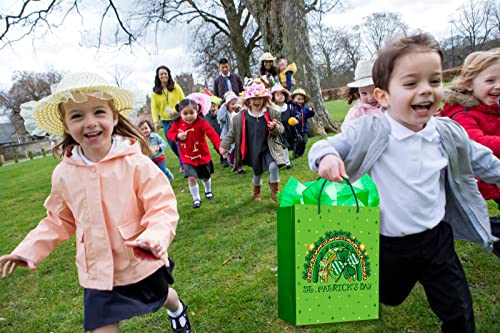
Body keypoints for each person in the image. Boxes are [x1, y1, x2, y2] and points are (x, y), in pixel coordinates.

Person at [308, 34, 500, 333]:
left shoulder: (447, 133)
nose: (425, 90)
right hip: (389, 243)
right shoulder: (370, 130)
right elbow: (324, 146)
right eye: (411, 83)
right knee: (390, 295)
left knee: (458, 309)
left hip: (437, 240)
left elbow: (485, 161)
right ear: (383, 96)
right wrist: (327, 158)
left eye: (434, 81)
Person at [0, 72, 192, 333]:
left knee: (161, 297)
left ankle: (176, 307)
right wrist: (28, 249)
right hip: (98, 271)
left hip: (140, 260)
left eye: (98, 112)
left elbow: (161, 205)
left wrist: (155, 237)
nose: (89, 123)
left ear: (114, 117)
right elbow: (58, 219)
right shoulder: (64, 174)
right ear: (66, 124)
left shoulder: (135, 163)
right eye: (77, 115)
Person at [442, 49, 500, 239]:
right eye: (490, 81)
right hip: (480, 175)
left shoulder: (488, 106)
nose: (498, 86)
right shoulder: (462, 113)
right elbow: (475, 142)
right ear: (469, 84)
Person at [219, 82, 285, 204]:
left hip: (268, 148)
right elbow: (233, 133)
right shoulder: (241, 117)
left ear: (265, 99)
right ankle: (256, 191)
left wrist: (274, 128)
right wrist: (224, 145)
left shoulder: (271, 113)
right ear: (248, 101)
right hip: (252, 149)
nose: (257, 101)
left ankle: (275, 192)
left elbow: (281, 129)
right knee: (257, 172)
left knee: (274, 166)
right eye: (253, 98)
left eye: (260, 98)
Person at [167, 98, 221, 209]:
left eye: (191, 113)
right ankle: (196, 198)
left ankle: (208, 190)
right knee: (191, 177)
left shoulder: (201, 123)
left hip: (202, 156)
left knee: (205, 177)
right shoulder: (177, 124)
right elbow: (170, 134)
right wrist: (177, 136)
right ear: (180, 113)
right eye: (185, 113)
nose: (188, 116)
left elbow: (212, 134)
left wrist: (220, 146)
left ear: (197, 112)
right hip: (187, 157)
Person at [151, 66, 186, 173]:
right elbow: (154, 107)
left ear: (168, 75)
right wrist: (156, 121)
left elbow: (183, 101)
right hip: (166, 122)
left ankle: (184, 165)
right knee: (171, 144)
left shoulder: (176, 87)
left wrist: (178, 110)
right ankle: (183, 160)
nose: (163, 76)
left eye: (165, 73)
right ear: (158, 77)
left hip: (178, 119)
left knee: (178, 142)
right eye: (161, 74)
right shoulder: (155, 92)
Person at [340, 58, 383, 131]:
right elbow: (347, 131)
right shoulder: (357, 112)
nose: (370, 98)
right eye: (364, 93)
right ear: (358, 93)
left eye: (374, 91)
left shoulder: (390, 106)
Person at [217, 91, 246, 174]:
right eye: (232, 104)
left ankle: (239, 167)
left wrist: (240, 108)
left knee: (238, 151)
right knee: (232, 151)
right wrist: (223, 106)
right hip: (228, 135)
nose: (234, 106)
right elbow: (220, 117)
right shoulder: (225, 114)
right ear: (227, 105)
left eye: (235, 103)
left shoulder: (238, 112)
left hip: (238, 134)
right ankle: (233, 163)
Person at [271, 84, 297, 169]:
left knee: (290, 143)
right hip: (280, 130)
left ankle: (294, 154)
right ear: (274, 98)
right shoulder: (274, 108)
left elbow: (293, 115)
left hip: (289, 129)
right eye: (277, 95)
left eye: (282, 94)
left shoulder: (288, 106)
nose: (280, 96)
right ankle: (286, 162)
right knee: (283, 145)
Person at [290, 88, 315, 158]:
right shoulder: (293, 108)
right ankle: (295, 153)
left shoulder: (305, 108)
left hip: (304, 129)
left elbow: (309, 115)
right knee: (298, 141)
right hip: (296, 129)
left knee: (304, 141)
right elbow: (291, 116)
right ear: (294, 99)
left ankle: (301, 152)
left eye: (302, 99)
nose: (300, 101)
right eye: (298, 99)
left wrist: (311, 111)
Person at [205, 95, 226, 167]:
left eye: (214, 106)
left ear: (217, 106)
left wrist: (218, 114)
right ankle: (222, 157)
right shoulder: (207, 116)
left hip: (222, 133)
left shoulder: (220, 113)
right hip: (214, 134)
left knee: (224, 146)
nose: (212, 108)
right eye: (210, 107)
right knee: (216, 147)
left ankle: (225, 159)